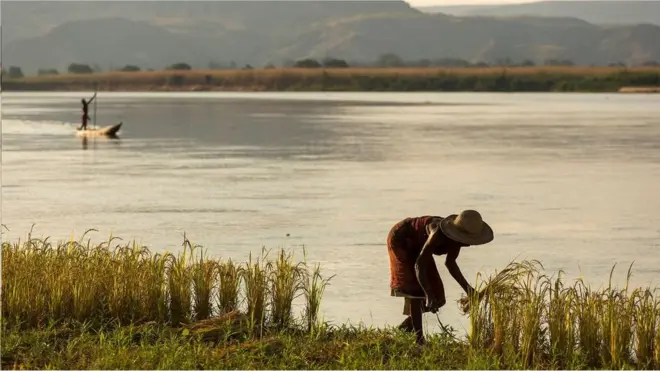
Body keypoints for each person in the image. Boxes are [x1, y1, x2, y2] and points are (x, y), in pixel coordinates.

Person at [387, 209, 494, 345]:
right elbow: (419, 265)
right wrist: (428, 294)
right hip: (403, 239)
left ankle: (405, 328)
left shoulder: (457, 239)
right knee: (417, 292)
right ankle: (419, 340)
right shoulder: (437, 232)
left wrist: (469, 290)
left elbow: (450, 263)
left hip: (421, 248)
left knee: (439, 298)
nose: (469, 243)